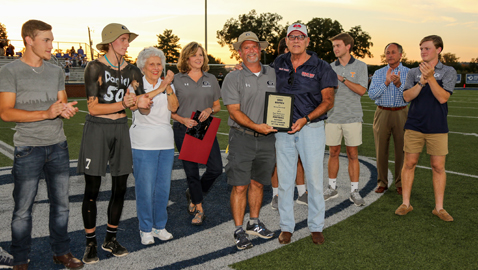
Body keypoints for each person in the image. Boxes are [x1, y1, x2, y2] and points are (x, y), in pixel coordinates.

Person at [0, 19, 82, 270]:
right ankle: (21, 260)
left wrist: (65, 109)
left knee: (62, 206)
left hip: (58, 145)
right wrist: (45, 114)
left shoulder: (56, 70)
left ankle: (61, 252)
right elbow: (6, 113)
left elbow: (61, 102)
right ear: (28, 40)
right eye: (46, 39)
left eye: (51, 39)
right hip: (28, 149)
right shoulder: (10, 71)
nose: (51, 44)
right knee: (23, 210)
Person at [77, 23, 149, 264]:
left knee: (120, 187)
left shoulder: (132, 70)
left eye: (128, 39)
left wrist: (145, 101)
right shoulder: (94, 67)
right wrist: (125, 104)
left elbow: (140, 103)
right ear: (110, 41)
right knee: (92, 189)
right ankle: (90, 243)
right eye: (123, 39)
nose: (127, 44)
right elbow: (94, 107)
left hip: (120, 128)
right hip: (97, 129)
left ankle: (110, 238)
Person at [272, 23, 336, 245]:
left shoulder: (321, 66)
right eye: (292, 37)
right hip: (284, 130)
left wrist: (306, 119)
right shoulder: (278, 63)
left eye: (301, 37)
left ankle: (316, 226)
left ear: (308, 41)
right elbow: (262, 79)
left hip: (311, 128)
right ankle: (286, 226)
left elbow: (328, 101)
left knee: (315, 181)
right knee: (285, 181)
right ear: (287, 41)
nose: (296, 41)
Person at [222, 31, 276, 250]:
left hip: (268, 139)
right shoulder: (233, 77)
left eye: (255, 46)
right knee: (240, 185)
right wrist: (256, 126)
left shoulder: (273, 72)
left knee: (258, 183)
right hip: (242, 137)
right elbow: (234, 112)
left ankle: (254, 222)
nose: (251, 50)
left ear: (260, 50)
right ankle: (238, 230)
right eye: (246, 47)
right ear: (239, 52)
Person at [395, 35, 457, 222]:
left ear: (438, 50)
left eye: (427, 48)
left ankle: (439, 208)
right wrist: (421, 81)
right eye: (421, 48)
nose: (423, 51)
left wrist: (430, 78)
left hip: (437, 126)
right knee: (409, 163)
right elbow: (407, 97)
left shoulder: (448, 71)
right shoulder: (413, 72)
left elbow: (443, 98)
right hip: (414, 125)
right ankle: (406, 203)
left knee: (438, 166)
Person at [131, 47, 178, 245]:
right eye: (152, 64)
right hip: (143, 143)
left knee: (162, 188)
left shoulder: (167, 85)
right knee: (145, 188)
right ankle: (145, 228)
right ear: (143, 67)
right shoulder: (135, 85)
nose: (156, 67)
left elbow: (174, 107)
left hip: (165, 142)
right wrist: (164, 84)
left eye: (159, 64)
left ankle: (160, 226)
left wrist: (167, 87)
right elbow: (143, 109)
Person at [172, 42, 222, 226]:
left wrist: (210, 109)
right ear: (186, 58)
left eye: (201, 55)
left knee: (216, 168)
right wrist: (182, 119)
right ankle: (198, 208)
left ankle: (194, 192)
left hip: (204, 128)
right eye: (194, 55)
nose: (198, 58)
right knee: (191, 172)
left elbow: (217, 105)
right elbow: (168, 109)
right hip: (183, 128)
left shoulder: (211, 78)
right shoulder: (176, 79)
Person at [324, 32, 368, 207]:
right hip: (333, 117)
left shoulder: (360, 66)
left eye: (338, 45)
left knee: (353, 155)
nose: (335, 49)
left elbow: (362, 90)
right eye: (333, 46)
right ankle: (331, 188)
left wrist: (342, 79)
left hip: (352, 116)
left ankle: (354, 191)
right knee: (333, 153)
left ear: (348, 46)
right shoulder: (328, 67)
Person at [270, 37, 307, 210]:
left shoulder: (302, 66)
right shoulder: (274, 67)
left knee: (299, 157)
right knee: (279, 159)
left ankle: (301, 192)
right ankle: (276, 194)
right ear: (284, 51)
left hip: (299, 117)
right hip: (279, 116)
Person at [368, 43, 410, 195]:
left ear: (400, 54)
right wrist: (386, 82)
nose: (390, 55)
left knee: (402, 150)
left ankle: (400, 182)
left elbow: (410, 95)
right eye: (387, 53)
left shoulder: (409, 72)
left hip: (401, 112)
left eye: (393, 52)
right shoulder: (379, 73)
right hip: (382, 112)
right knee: (381, 150)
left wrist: (398, 83)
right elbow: (372, 95)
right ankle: (382, 182)